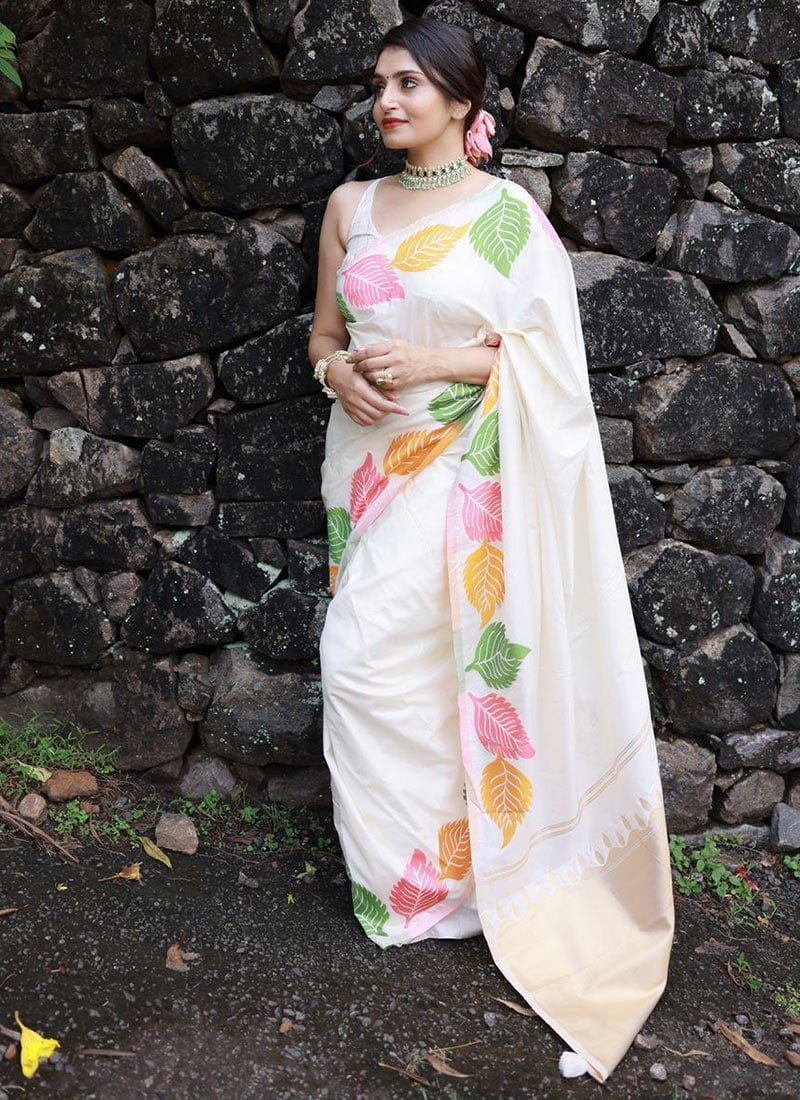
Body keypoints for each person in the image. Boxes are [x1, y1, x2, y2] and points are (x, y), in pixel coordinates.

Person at [307, 16, 675, 1084]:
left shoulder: (507, 216)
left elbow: (546, 357)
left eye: (410, 85)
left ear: (463, 102)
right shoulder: (349, 208)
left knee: (453, 667)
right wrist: (336, 372)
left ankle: (481, 881)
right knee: (368, 667)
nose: (387, 101)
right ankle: (407, 887)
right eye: (380, 83)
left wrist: (434, 361)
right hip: (370, 473)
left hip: (470, 476)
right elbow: (324, 335)